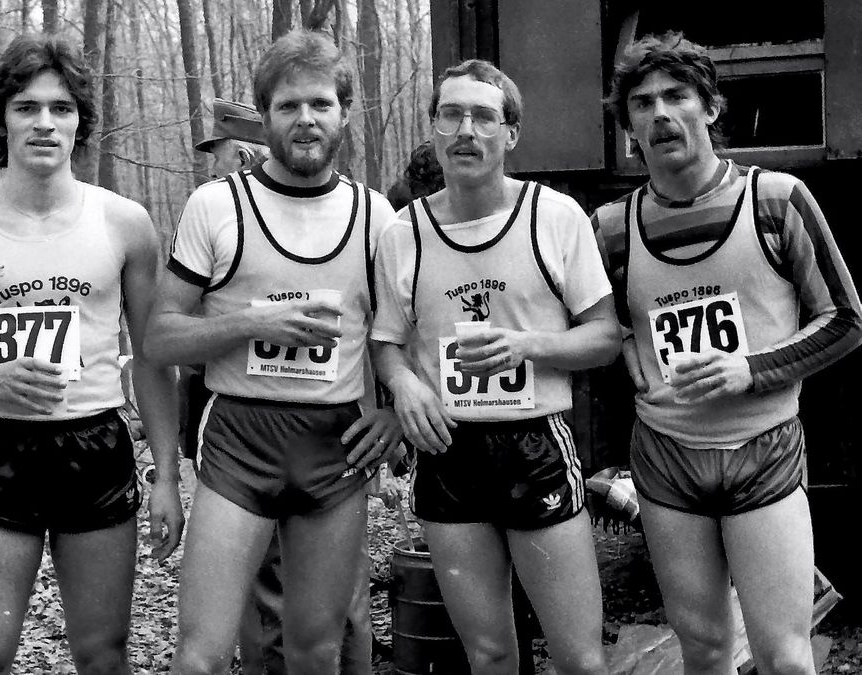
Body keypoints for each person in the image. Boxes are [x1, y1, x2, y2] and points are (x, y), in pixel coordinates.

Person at [0, 34, 183, 675]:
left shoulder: (125, 223)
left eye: (61, 108)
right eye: (27, 107)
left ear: (80, 121)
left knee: (103, 655)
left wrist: (167, 476)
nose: (45, 123)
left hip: (96, 446)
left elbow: (153, 358)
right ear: (1, 119)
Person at [594, 32, 862, 675]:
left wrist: (751, 369)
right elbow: (599, 325)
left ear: (710, 107)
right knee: (706, 651)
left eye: (677, 96)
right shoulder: (610, 228)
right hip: (667, 459)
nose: (660, 114)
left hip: (763, 451)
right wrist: (625, 346)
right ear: (627, 125)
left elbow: (845, 320)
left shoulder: (776, 199)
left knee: (785, 657)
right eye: (642, 103)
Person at [145, 29, 401, 675]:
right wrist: (253, 323)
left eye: (320, 103)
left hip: (334, 445)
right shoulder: (216, 206)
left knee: (317, 651)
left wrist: (395, 411)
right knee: (201, 655)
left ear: (345, 113)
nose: (305, 119)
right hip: (240, 439)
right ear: (265, 116)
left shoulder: (375, 216)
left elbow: (404, 337)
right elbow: (159, 336)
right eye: (288, 105)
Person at [371, 59, 617, 675]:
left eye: (484, 117)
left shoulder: (554, 216)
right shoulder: (402, 234)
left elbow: (605, 336)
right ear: (433, 128)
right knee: (488, 655)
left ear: (510, 134)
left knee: (580, 659)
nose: (466, 131)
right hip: (448, 452)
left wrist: (528, 346)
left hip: (535, 446)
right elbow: (386, 342)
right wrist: (401, 384)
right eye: (451, 115)